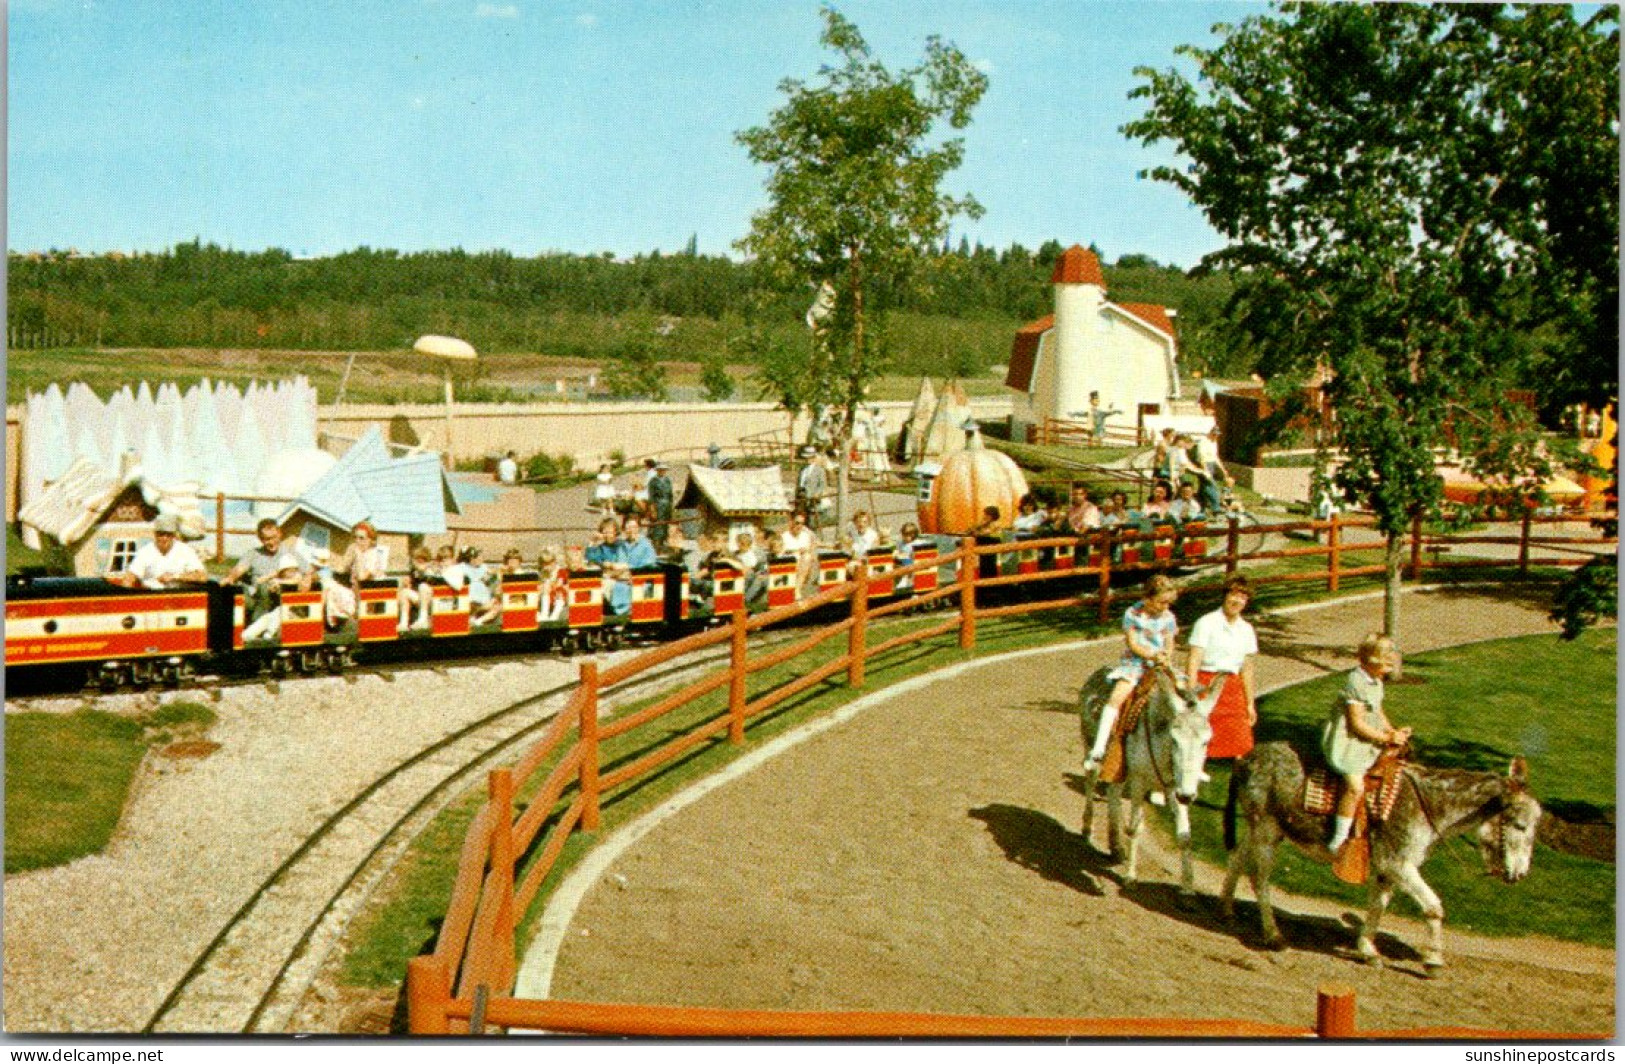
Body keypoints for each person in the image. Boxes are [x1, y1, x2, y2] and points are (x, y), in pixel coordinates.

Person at [1083, 574, 1181, 775]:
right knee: (1116, 697)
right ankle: (1099, 747)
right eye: (1161, 602)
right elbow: (1133, 643)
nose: (1165, 607)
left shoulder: (1168, 617)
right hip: (1136, 663)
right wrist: (1151, 655)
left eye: (1168, 603)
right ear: (1148, 599)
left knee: (1182, 692)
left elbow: (1170, 641)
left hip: (1160, 663)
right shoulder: (1133, 614)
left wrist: (1166, 656)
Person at [1323, 633, 1410, 853]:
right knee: (1355, 786)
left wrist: (1391, 730)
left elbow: (1377, 710)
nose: (1389, 666)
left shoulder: (1375, 680)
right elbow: (1357, 724)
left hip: (1368, 734)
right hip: (1349, 741)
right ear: (1372, 661)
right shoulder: (1356, 682)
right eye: (1386, 661)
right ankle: (1339, 837)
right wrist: (1386, 738)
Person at [1187, 575, 1259, 764]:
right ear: (1225, 596)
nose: (1237, 601)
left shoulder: (1247, 629)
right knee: (1199, 743)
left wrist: (1249, 704)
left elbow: (1247, 669)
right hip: (1207, 685)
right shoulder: (1206, 623)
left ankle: (1239, 790)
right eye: (1233, 595)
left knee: (1242, 746)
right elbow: (1194, 661)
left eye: (1242, 597)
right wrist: (1191, 694)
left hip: (1233, 689)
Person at [226, 518, 313, 623]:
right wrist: (230, 578)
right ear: (260, 539)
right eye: (266, 539)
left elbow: (309, 571)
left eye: (273, 538)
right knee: (236, 589)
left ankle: (257, 625)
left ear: (280, 534)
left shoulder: (290, 552)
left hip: (276, 597)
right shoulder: (253, 553)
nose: (271, 543)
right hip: (253, 597)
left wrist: (307, 579)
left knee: (264, 587)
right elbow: (239, 569)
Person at [109, 513, 209, 589]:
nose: (164, 538)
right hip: (151, 596)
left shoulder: (185, 551)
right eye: (161, 534)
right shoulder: (145, 552)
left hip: (178, 598)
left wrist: (175, 576)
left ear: (173, 535)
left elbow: (202, 576)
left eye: (168, 534)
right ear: (155, 534)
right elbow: (129, 577)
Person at [322, 522, 389, 629]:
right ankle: (326, 623)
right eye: (356, 538)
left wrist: (358, 555)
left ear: (371, 540)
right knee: (327, 584)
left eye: (362, 538)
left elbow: (362, 577)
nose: (358, 541)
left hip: (368, 600)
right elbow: (342, 568)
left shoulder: (374, 555)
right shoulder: (358, 552)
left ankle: (334, 624)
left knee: (331, 587)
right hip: (356, 595)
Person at [585, 517, 632, 616]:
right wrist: (592, 542)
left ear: (615, 532)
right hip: (608, 578)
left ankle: (617, 614)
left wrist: (611, 569)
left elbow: (626, 565)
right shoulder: (602, 547)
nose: (607, 535)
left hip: (622, 579)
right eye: (604, 532)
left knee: (604, 586)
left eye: (610, 532)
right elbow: (590, 558)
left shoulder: (621, 545)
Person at [397, 546, 439, 633]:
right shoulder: (413, 573)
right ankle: (404, 622)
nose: (420, 564)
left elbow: (430, 580)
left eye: (423, 561)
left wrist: (422, 571)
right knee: (404, 592)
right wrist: (405, 584)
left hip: (434, 601)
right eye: (417, 561)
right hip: (421, 600)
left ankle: (423, 619)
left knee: (423, 587)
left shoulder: (431, 571)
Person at [1194, 426, 1232, 515]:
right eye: (1214, 434)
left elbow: (1215, 457)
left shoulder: (1214, 442)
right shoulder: (1203, 442)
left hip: (1211, 464)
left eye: (1217, 435)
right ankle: (1216, 507)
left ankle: (1201, 508)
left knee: (1203, 488)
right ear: (1211, 433)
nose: (1216, 436)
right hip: (1203, 465)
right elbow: (1201, 458)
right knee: (1211, 485)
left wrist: (1223, 469)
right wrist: (1205, 470)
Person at [780, 510, 819, 594]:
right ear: (791, 523)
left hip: (804, 564)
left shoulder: (805, 536)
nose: (799, 526)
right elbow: (780, 553)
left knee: (808, 557)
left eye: (802, 523)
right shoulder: (784, 536)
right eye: (797, 523)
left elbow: (812, 546)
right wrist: (797, 551)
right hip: (789, 564)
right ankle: (798, 590)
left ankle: (797, 589)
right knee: (806, 558)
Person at [797, 449, 829, 533]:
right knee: (801, 519)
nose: (807, 460)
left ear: (814, 458)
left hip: (812, 499)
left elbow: (822, 485)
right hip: (802, 497)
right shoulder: (802, 470)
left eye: (810, 458)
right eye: (806, 458)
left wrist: (817, 494)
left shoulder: (819, 470)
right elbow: (799, 483)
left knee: (812, 522)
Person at [647, 460, 675, 550]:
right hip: (658, 505)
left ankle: (663, 543)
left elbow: (670, 494)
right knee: (658, 524)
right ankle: (656, 544)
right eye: (660, 469)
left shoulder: (668, 480)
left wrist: (672, 506)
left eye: (664, 470)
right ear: (657, 470)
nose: (662, 471)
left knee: (665, 524)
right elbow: (651, 496)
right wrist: (652, 509)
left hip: (667, 505)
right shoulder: (653, 481)